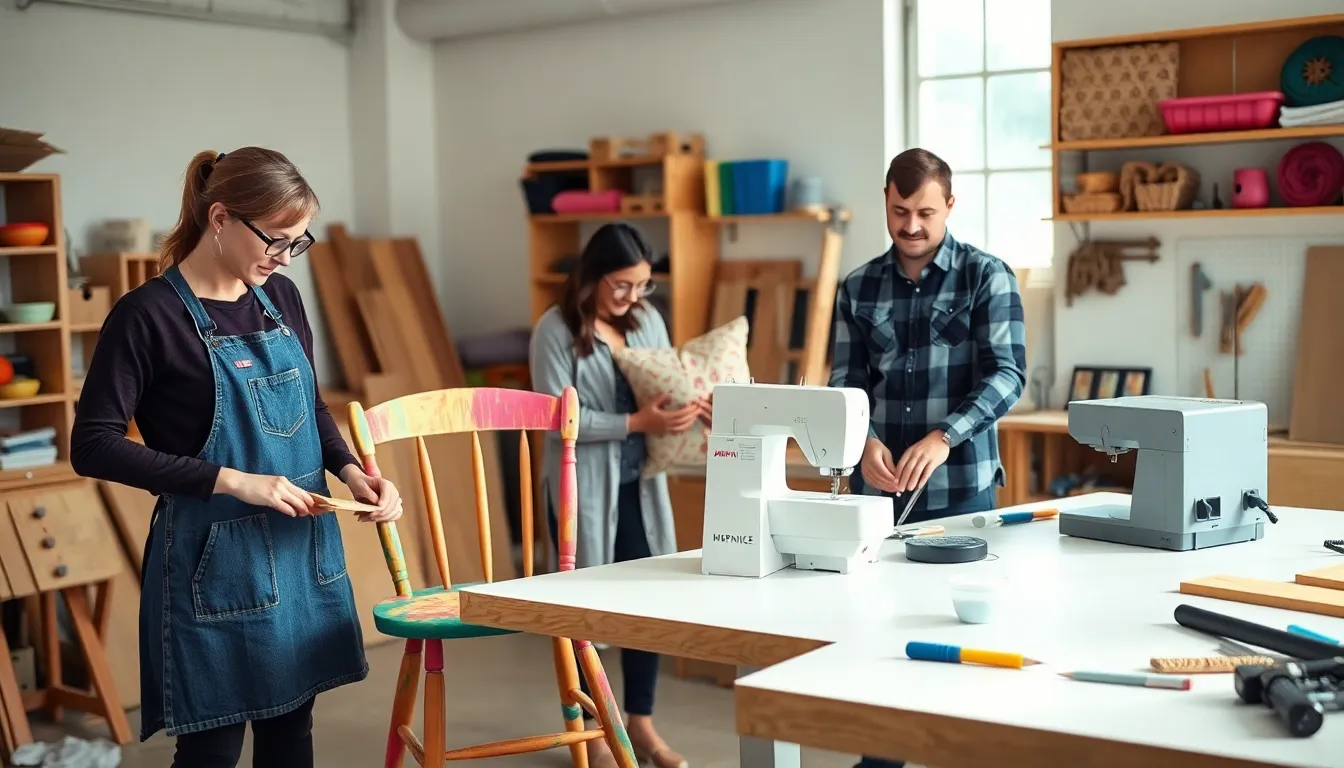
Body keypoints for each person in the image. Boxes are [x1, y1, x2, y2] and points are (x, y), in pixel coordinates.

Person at [70, 148, 403, 768]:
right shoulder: (148, 316)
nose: (282, 259)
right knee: (212, 747)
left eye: (297, 244)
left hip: (298, 553)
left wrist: (356, 473)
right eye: (276, 241)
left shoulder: (282, 299)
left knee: (290, 732)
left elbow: (312, 406)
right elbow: (92, 446)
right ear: (219, 217)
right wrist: (231, 480)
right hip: (210, 568)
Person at [830, 148, 1026, 767]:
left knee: (957, 639)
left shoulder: (986, 276)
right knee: (878, 635)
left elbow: (1008, 375)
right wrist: (859, 443)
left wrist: (945, 437)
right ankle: (881, 758)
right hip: (877, 496)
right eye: (898, 211)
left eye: (924, 213)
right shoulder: (857, 287)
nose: (910, 226)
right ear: (884, 200)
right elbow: (845, 382)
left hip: (964, 491)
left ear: (950, 205)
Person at [529, 222, 702, 768]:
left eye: (643, 285)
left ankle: (642, 727)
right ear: (592, 277)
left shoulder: (648, 319)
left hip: (643, 485)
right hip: (583, 489)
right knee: (588, 614)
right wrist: (636, 421)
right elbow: (554, 416)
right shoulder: (555, 331)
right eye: (622, 285)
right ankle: (597, 735)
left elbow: (667, 381)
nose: (634, 297)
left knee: (644, 607)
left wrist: (691, 407)